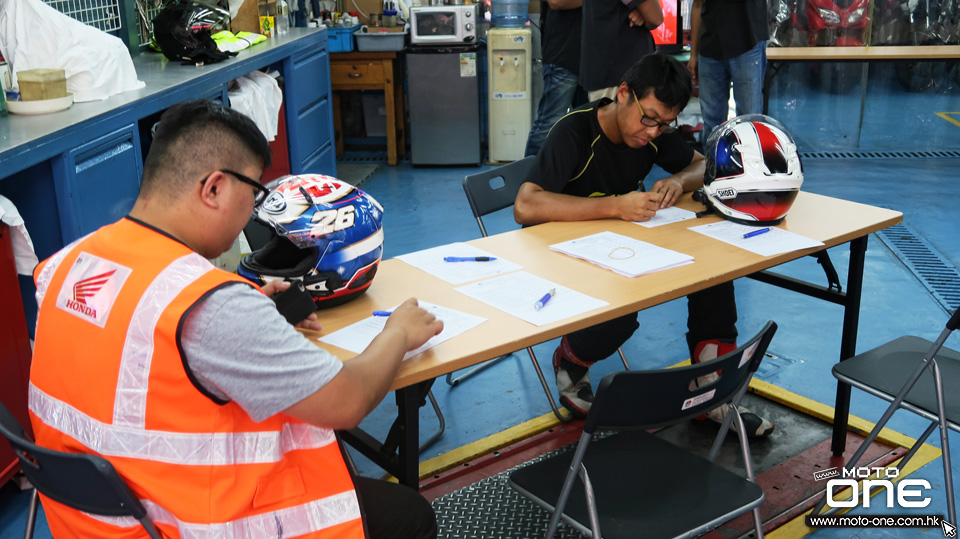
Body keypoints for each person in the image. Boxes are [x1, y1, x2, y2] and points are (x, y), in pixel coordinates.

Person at [28, 100, 444, 538]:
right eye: (254, 195)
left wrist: (250, 306)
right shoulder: (214, 309)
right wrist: (396, 332)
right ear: (214, 188)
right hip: (186, 521)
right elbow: (346, 403)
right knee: (408, 514)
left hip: (95, 519)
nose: (252, 213)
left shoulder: (69, 263)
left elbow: (134, 339)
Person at [514, 53, 774, 438]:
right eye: (648, 118)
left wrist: (678, 181)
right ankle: (570, 359)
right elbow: (526, 204)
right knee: (624, 311)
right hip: (560, 256)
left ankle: (711, 394)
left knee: (713, 274)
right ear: (623, 93)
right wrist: (616, 206)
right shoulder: (574, 132)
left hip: (618, 247)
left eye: (665, 124)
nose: (653, 132)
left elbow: (703, 165)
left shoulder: (653, 134)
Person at [687, 0, 769, 144]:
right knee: (712, 122)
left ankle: (750, 164)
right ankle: (712, 164)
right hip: (710, 46)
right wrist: (693, 54)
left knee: (749, 120)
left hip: (748, 43)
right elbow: (697, 5)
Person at [524, 0, 583, 157]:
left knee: (589, 125)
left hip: (592, 57)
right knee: (548, 125)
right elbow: (558, 2)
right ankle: (529, 178)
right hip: (564, 54)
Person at [580, 0, 663, 102]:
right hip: (620, 68)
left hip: (605, 65)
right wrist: (645, 14)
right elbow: (655, 18)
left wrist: (641, 12)